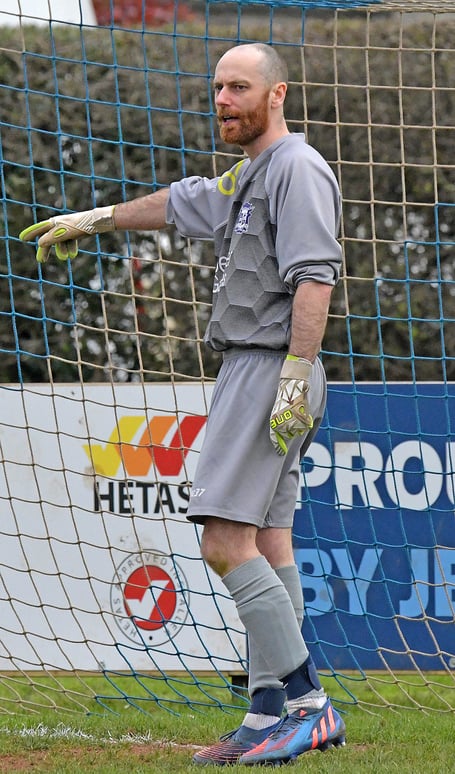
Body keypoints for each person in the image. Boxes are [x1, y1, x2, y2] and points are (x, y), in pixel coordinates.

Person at [20, 42, 345, 766]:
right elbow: (177, 201)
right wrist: (96, 219)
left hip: (270, 366)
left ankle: (308, 706)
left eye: (240, 87)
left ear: (277, 94)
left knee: (222, 540)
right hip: (261, 366)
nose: (223, 99)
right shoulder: (247, 174)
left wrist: (294, 375)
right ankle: (266, 714)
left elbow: (315, 278)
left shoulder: (295, 166)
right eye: (218, 87)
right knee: (269, 540)